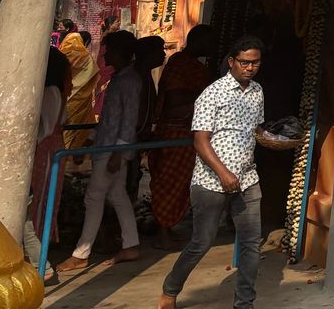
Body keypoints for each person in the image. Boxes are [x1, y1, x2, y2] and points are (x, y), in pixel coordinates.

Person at [159, 35, 295, 309]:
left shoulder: (257, 91)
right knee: (202, 242)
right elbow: (200, 140)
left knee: (250, 245)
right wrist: (223, 173)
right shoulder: (212, 93)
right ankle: (171, 288)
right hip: (211, 182)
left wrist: (273, 137)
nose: (250, 68)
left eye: (255, 63)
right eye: (244, 62)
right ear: (231, 62)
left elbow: (254, 129)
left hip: (247, 179)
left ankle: (244, 303)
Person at [57, 30, 141, 272]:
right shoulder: (120, 78)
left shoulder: (129, 80)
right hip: (106, 145)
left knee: (94, 197)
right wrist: (90, 140)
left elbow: (128, 120)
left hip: (112, 149)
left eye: (109, 50)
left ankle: (81, 252)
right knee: (117, 195)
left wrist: (119, 153)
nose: (105, 55)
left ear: (120, 52)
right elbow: (109, 118)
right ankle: (131, 243)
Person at [148, 25, 215, 250]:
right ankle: (162, 231)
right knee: (167, 182)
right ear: (196, 41)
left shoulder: (196, 66)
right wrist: (204, 95)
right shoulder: (180, 63)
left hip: (189, 131)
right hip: (174, 130)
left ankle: (169, 226)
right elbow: (176, 98)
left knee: (181, 183)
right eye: (207, 41)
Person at [22, 46, 71, 283]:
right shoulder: (53, 91)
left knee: (36, 206)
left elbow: (47, 127)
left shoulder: (49, 92)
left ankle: (42, 264)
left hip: (45, 152)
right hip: (49, 149)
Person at [125, 34, 167, 205]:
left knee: (132, 179)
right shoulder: (134, 77)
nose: (163, 54)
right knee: (125, 182)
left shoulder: (146, 75)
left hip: (138, 137)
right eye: (160, 51)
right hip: (128, 139)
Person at [59, 29, 97, 150]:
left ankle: (61, 152)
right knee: (76, 126)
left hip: (62, 97)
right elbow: (92, 75)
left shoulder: (61, 55)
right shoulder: (86, 58)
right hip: (79, 99)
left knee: (62, 126)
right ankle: (71, 154)